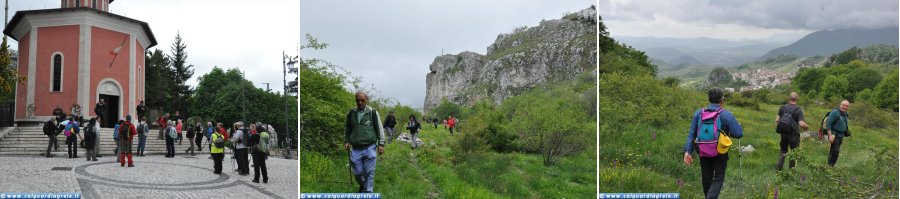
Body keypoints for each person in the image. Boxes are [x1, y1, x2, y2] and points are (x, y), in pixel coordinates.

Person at [683, 88, 744, 199]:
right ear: (722, 100)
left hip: (702, 150)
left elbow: (692, 133)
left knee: (706, 177)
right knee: (719, 177)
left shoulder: (699, 113)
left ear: (709, 99)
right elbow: (738, 133)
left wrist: (688, 151)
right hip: (720, 151)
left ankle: (708, 196)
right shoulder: (726, 115)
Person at [344, 91, 386, 193]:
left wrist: (381, 144)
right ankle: (364, 185)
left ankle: (368, 192)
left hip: (370, 147)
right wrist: (347, 141)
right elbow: (347, 129)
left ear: (366, 100)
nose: (360, 102)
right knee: (357, 173)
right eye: (357, 100)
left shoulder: (373, 112)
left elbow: (379, 129)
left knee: (369, 172)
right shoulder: (351, 113)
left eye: (362, 100)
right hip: (356, 148)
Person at [774, 92, 809, 171]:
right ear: (797, 99)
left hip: (783, 134)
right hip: (793, 135)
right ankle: (791, 171)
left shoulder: (782, 107)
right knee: (794, 152)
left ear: (789, 98)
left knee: (783, 150)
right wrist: (806, 127)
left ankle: (778, 169)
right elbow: (801, 124)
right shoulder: (798, 110)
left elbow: (777, 120)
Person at [826, 100, 851, 167]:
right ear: (840, 105)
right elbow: (828, 124)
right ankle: (830, 166)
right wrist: (830, 135)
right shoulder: (835, 113)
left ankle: (832, 165)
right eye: (843, 105)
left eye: (846, 106)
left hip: (841, 135)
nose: (845, 107)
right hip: (834, 134)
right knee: (834, 151)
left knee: (836, 151)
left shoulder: (845, 114)